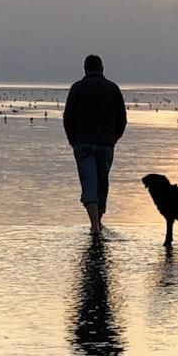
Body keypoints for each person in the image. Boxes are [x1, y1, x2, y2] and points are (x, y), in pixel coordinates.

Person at [62, 54, 127, 234]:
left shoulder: (77, 88)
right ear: (102, 68)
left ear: (85, 69)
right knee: (102, 183)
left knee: (89, 182)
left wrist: (72, 140)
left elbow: (68, 117)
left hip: (82, 143)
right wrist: (114, 138)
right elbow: (122, 119)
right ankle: (98, 222)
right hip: (106, 144)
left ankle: (94, 226)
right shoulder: (113, 89)